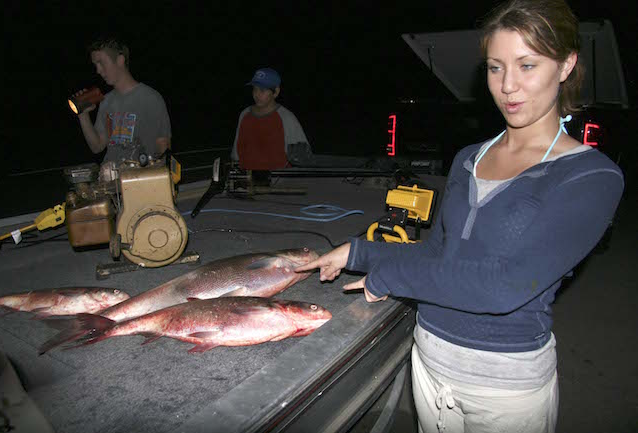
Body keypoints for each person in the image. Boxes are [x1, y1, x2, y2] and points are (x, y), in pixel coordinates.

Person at [295, 1, 624, 432]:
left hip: (504, 387)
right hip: (428, 362)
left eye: (527, 65)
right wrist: (358, 252)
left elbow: (503, 287)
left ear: (566, 66)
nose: (508, 86)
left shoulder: (591, 176)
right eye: (495, 67)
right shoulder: (469, 157)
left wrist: (388, 276)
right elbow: (438, 252)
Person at [75, 37, 171, 164]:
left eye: (101, 63)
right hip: (111, 178)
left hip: (139, 177)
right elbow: (97, 146)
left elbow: (163, 144)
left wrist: (155, 175)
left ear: (120, 60)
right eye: (95, 65)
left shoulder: (150, 98)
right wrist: (83, 115)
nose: (98, 70)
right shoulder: (106, 101)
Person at [230, 68, 309, 170]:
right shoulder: (245, 115)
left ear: (276, 92)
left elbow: (302, 158)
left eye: (262, 90)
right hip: (248, 181)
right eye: (254, 89)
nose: (257, 94)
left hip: (278, 182)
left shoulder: (286, 118)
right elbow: (236, 155)